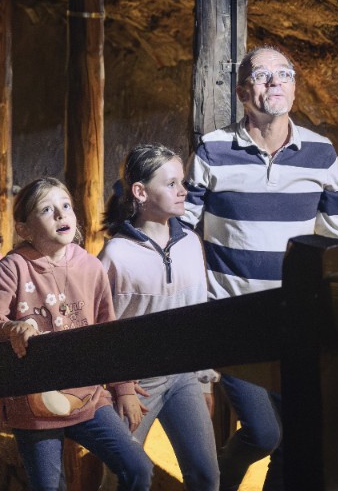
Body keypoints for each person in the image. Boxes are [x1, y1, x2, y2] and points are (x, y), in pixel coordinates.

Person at [183, 46, 338, 491]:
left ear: (295, 90)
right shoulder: (213, 150)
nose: (275, 82)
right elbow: (180, 234)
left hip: (295, 321)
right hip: (233, 319)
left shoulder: (321, 154)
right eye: (262, 76)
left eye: (284, 74)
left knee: (292, 441)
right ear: (243, 91)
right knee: (264, 432)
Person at [0, 177, 153, 491]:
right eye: (46, 209)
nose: (60, 215)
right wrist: (9, 327)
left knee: (138, 468)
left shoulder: (90, 266)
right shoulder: (14, 267)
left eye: (65, 206)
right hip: (33, 406)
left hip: (90, 398)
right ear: (24, 229)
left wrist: (123, 389)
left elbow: (107, 333)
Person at [100, 143, 218, 491]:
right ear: (139, 192)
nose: (183, 190)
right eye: (171, 184)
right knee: (125, 478)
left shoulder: (190, 244)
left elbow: (199, 315)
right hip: (136, 385)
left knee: (206, 477)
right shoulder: (116, 255)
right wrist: (120, 388)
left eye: (182, 182)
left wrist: (204, 379)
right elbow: (100, 330)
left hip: (183, 378)